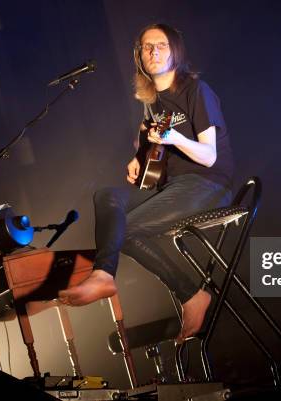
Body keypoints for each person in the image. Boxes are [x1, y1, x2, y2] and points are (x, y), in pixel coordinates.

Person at [58, 23, 234, 343]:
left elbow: (209, 156)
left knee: (128, 229)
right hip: (172, 185)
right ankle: (103, 274)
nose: (153, 51)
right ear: (139, 56)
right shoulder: (151, 99)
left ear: (176, 51)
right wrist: (139, 154)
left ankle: (190, 295)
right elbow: (148, 130)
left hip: (208, 185)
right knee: (106, 195)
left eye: (161, 45)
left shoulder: (197, 91)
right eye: (146, 47)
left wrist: (173, 137)